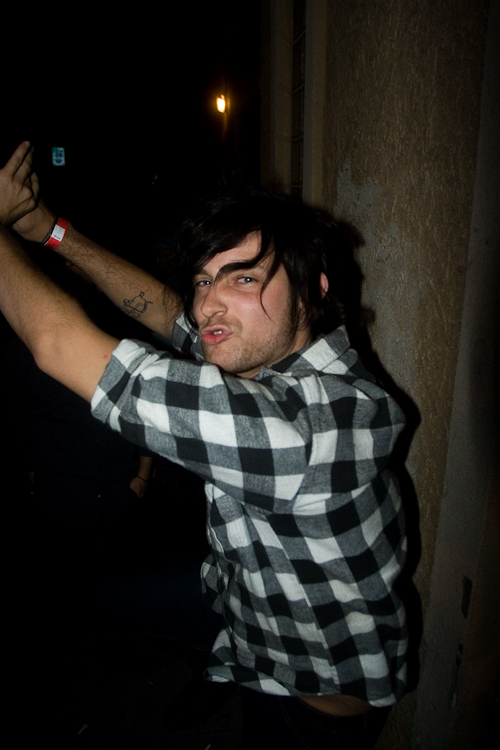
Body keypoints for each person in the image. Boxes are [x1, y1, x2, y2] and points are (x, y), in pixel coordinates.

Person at [0, 142, 407, 749]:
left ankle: (220, 668)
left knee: (76, 599)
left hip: (306, 703)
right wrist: (48, 230)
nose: (208, 302)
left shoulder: (306, 428)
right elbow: (167, 313)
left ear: (312, 291)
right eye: (203, 280)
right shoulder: (279, 357)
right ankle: (221, 663)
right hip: (244, 594)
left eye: (244, 277)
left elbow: (58, 343)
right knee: (86, 597)